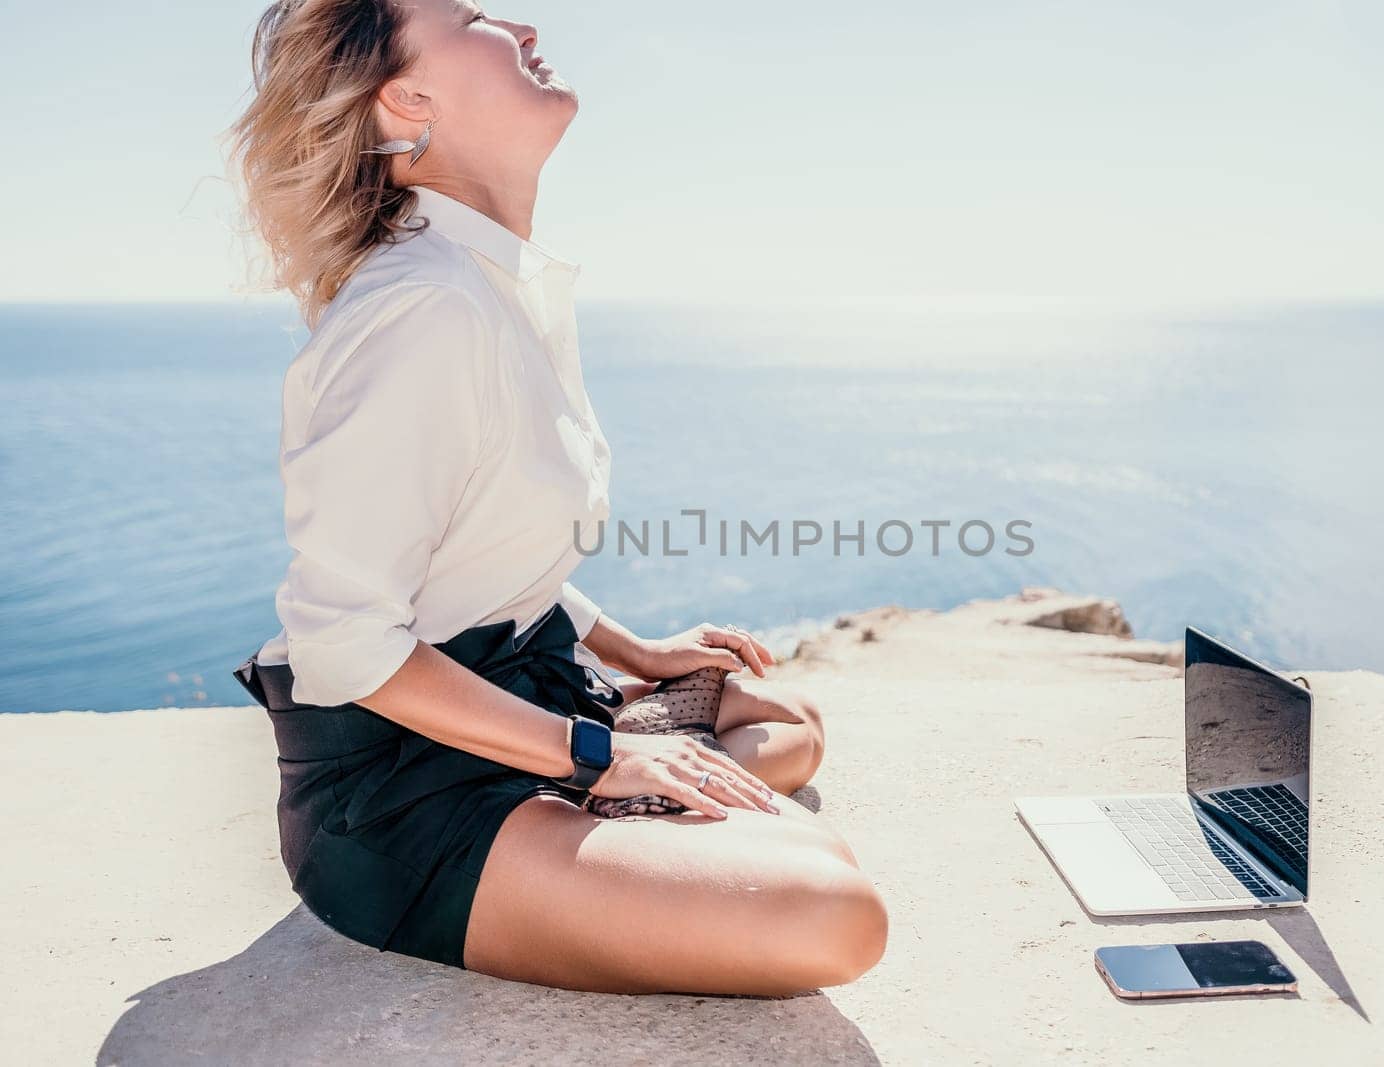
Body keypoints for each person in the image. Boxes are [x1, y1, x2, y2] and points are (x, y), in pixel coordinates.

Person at [223, 0, 887, 996]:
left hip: (521, 694)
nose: (524, 26)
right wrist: (597, 754)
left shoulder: (492, 283)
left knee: (785, 720)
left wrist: (638, 654)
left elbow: (483, 554)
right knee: (833, 912)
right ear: (409, 96)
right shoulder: (424, 311)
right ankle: (588, 820)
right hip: (409, 790)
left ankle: (599, 824)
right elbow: (345, 639)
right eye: (475, 15)